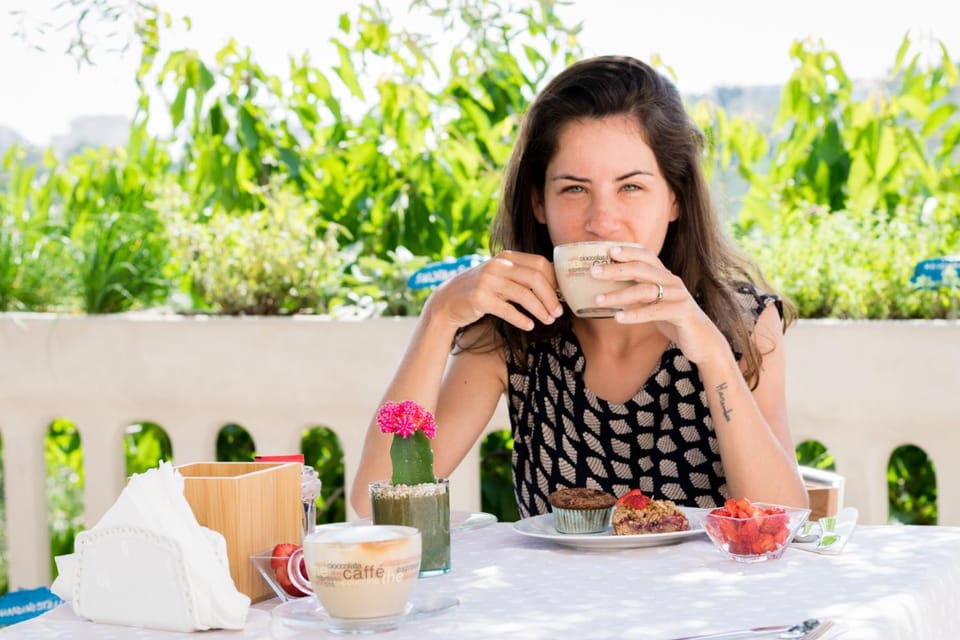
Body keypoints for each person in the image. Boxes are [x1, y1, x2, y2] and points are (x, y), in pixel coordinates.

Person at [350, 55, 809, 518]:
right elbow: (375, 500)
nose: (601, 221)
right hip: (552, 594)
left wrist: (712, 353)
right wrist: (439, 316)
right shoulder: (513, 332)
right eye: (574, 189)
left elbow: (782, 519)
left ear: (674, 198)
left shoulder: (743, 322)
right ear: (538, 203)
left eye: (630, 187)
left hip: (706, 593)